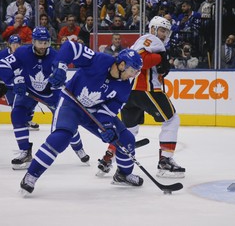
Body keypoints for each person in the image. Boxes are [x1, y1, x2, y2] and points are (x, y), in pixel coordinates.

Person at [19, 43, 144, 195]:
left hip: (94, 113)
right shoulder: (98, 60)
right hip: (71, 104)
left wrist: (107, 126)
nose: (133, 75)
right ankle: (31, 175)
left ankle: (123, 175)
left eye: (136, 73)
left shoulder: (125, 86)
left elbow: (109, 110)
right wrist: (60, 67)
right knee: (61, 137)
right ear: (122, 65)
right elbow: (70, 47)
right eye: (132, 71)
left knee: (126, 139)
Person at [98, 16, 186, 178]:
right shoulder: (151, 39)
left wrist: (161, 64)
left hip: (129, 93)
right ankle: (165, 161)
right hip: (146, 89)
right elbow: (141, 59)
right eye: (161, 30)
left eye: (166, 31)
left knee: (128, 129)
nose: (164, 34)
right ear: (152, 29)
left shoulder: (148, 41)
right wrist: (161, 58)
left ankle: (109, 157)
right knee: (172, 120)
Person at [0, 27, 89, 170]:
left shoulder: (55, 55)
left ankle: (78, 148)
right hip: (28, 91)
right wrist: (15, 80)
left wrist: (58, 80)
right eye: (40, 43)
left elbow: (61, 73)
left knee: (66, 123)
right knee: (17, 114)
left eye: (46, 42)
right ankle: (25, 151)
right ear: (33, 41)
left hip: (51, 94)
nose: (43, 46)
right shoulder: (22, 52)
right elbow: (3, 64)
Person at [0, 34, 40, 131]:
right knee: (15, 104)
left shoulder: (24, 53)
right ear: (9, 44)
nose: (15, 46)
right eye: (13, 44)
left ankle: (28, 120)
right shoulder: (2, 54)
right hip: (8, 84)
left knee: (31, 101)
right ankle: (19, 122)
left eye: (17, 44)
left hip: (23, 83)